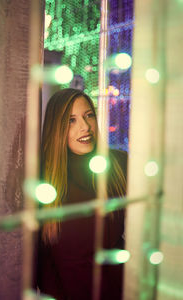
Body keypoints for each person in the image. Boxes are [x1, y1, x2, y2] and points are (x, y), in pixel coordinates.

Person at [36, 88, 127, 300]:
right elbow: (40, 260)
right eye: (71, 120)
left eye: (89, 116)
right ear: (57, 128)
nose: (85, 127)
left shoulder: (118, 164)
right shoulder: (43, 178)